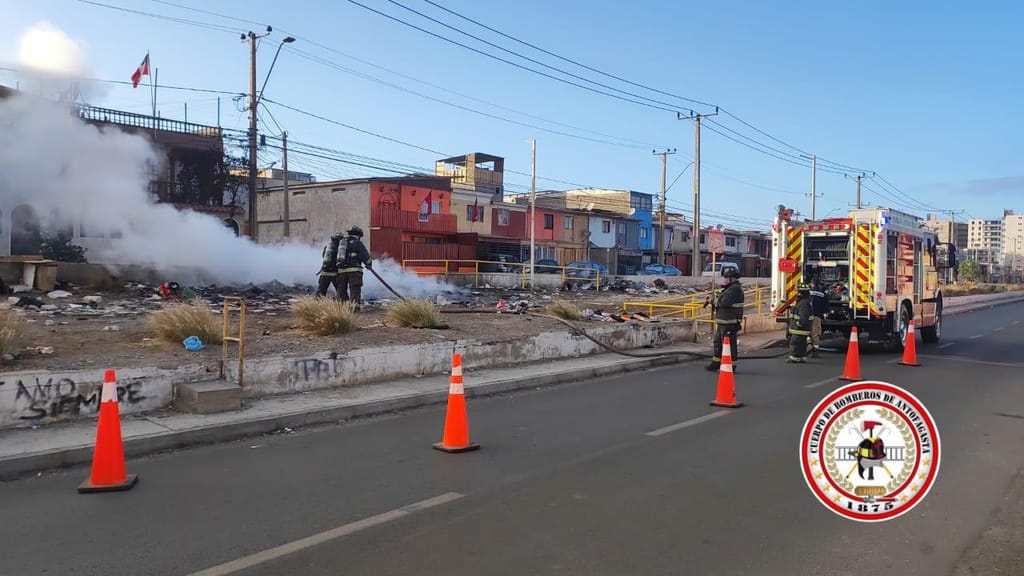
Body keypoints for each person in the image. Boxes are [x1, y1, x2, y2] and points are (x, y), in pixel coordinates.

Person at [704, 267, 745, 372]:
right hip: (723, 321)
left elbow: (724, 302)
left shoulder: (735, 289)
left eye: (727, 277)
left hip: (729, 322)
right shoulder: (729, 289)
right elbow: (722, 299)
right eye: (725, 277)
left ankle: (731, 365)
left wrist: (713, 300)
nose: (725, 280)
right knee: (718, 342)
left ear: (733, 278)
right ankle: (716, 362)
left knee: (728, 345)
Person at [336, 226, 373, 308]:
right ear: (358, 235)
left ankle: (340, 309)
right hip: (354, 271)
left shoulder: (342, 242)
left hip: (341, 271)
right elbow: (365, 256)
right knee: (355, 289)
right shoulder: (357, 243)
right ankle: (355, 309)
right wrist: (369, 264)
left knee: (341, 290)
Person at [788, 284, 813, 363]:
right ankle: (801, 357)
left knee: (795, 343)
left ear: (801, 293)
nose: (797, 294)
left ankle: (794, 358)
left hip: (799, 329)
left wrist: (799, 324)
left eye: (798, 292)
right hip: (802, 329)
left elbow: (804, 316)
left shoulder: (803, 303)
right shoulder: (804, 302)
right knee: (801, 344)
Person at [316, 233, 345, 299]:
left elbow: (323, 256)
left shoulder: (327, 246)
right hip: (334, 273)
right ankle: (343, 302)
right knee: (341, 291)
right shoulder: (340, 248)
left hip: (324, 272)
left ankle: (317, 303)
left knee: (321, 291)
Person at [809, 279, 828, 357]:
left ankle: (806, 350)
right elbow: (826, 305)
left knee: (806, 332)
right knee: (815, 334)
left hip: (807, 316)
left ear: (812, 284)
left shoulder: (808, 293)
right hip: (817, 316)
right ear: (819, 285)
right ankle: (815, 351)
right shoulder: (823, 294)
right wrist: (824, 313)